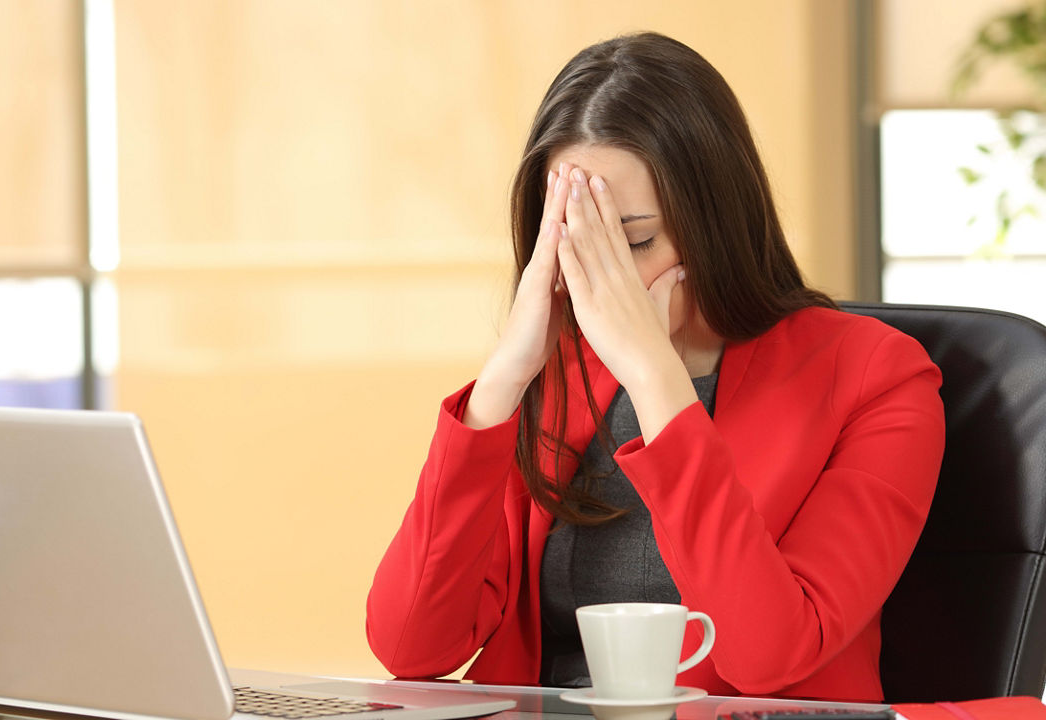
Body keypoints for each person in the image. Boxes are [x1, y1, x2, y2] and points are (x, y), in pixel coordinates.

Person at [365, 32, 944, 703]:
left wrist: (656, 378)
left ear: (714, 223)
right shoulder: (555, 376)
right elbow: (411, 646)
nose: (597, 275)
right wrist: (502, 382)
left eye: (632, 241)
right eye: (575, 238)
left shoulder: (879, 377)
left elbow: (769, 656)